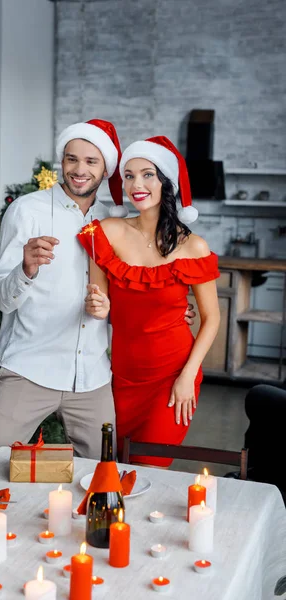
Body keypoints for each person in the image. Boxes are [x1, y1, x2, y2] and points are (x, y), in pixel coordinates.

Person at [0, 122, 195, 465]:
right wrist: (25, 269)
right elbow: (1, 300)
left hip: (92, 376)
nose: (79, 170)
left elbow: (135, 288)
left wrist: (170, 310)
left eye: (91, 161)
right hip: (30, 368)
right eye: (71, 159)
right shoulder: (26, 211)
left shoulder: (116, 223)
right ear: (62, 161)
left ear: (106, 170)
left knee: (102, 475)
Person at [77, 136, 220, 467]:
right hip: (122, 376)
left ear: (165, 182)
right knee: (116, 467)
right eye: (128, 175)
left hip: (173, 376)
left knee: (147, 466)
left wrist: (187, 376)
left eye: (147, 174)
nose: (136, 185)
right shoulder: (105, 233)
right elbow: (102, 305)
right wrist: (97, 307)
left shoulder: (193, 246)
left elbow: (212, 319)